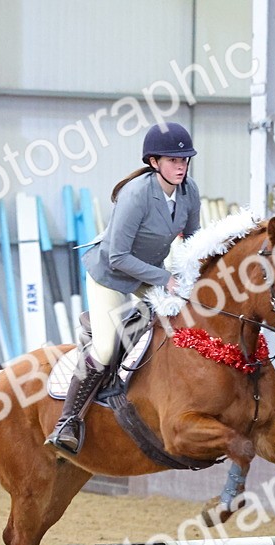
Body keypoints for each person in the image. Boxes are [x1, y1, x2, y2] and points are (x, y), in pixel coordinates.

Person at [46, 121, 201, 455]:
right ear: (154, 162)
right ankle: (67, 421)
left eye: (185, 160)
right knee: (104, 349)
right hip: (111, 276)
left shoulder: (189, 192)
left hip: (148, 274)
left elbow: (192, 240)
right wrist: (165, 279)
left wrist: (197, 273)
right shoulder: (136, 195)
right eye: (174, 160)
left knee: (184, 319)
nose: (181, 166)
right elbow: (117, 257)